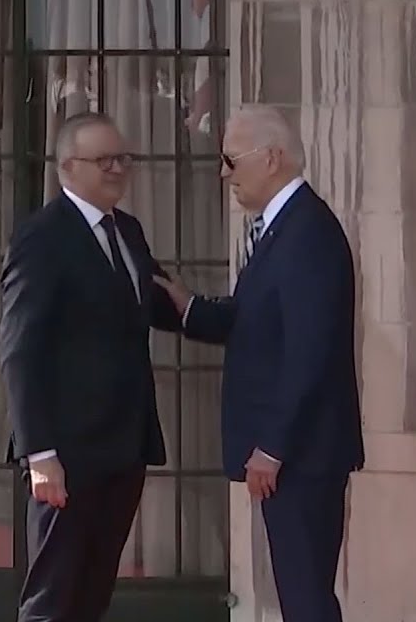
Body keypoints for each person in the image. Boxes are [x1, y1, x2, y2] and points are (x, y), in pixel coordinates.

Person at [154, 105, 364, 622]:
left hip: (302, 453)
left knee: (305, 595)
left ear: (270, 159)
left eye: (231, 159)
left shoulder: (307, 232)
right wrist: (192, 310)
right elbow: (258, 322)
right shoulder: (281, 228)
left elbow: (309, 352)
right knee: (299, 594)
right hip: (296, 451)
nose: (224, 173)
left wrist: (272, 446)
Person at [0, 111, 183, 622]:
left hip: (124, 446)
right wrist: (40, 454)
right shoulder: (43, 237)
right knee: (53, 598)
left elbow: (161, 303)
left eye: (124, 158)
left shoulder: (128, 231)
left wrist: (235, 313)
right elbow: (20, 349)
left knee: (92, 593)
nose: (118, 169)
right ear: (67, 168)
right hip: (68, 455)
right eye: (105, 160)